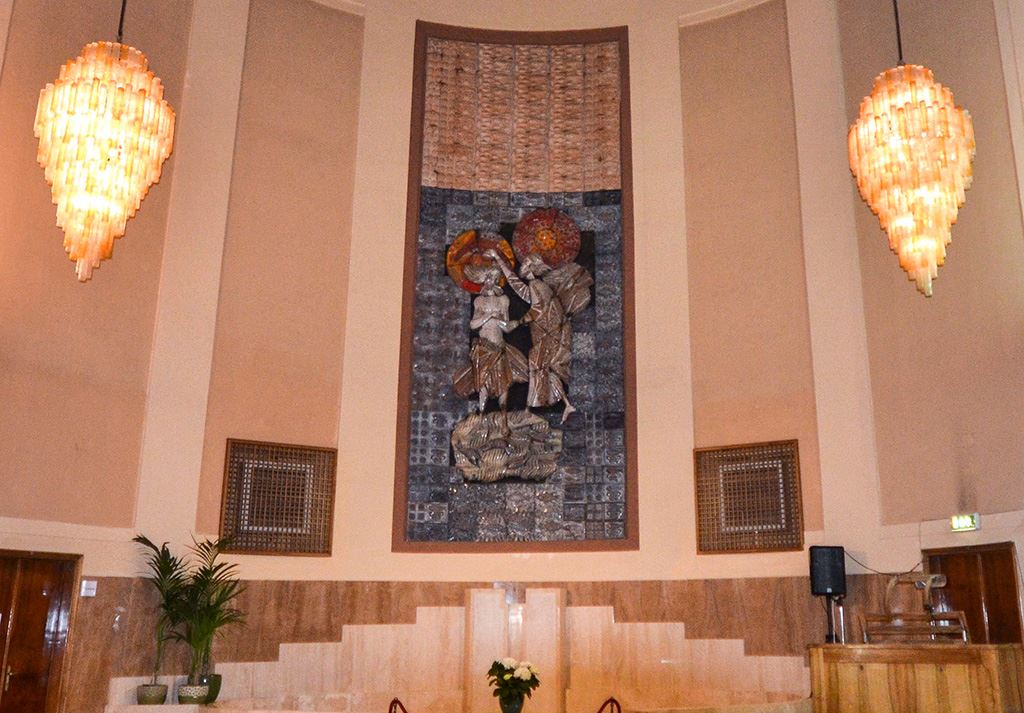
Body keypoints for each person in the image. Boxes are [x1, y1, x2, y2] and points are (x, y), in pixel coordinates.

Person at [485, 250, 591, 423]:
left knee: (537, 364)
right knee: (544, 368)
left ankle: (529, 409)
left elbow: (538, 309)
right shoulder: (535, 285)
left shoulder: (537, 285)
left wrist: (518, 322)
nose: (523, 266)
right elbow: (516, 285)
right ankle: (566, 405)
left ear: (533, 267)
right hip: (547, 335)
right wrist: (498, 259)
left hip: (549, 336)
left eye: (526, 263)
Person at [452, 263, 527, 412]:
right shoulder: (479, 301)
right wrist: (488, 316)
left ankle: (503, 413)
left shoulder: (503, 300)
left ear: (497, 280)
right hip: (483, 347)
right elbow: (473, 324)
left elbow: (506, 327)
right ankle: (481, 413)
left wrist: (505, 322)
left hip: (498, 345)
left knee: (503, 380)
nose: (489, 281)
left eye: (492, 278)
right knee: (483, 380)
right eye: (487, 278)